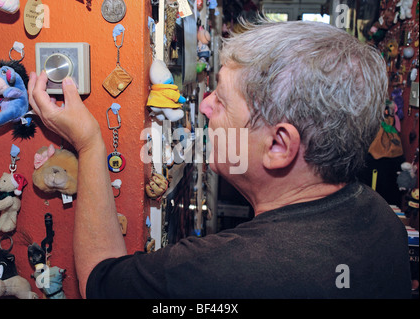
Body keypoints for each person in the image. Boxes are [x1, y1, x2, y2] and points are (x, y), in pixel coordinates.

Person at [29, 19, 412, 299]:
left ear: (279, 145)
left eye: (223, 99)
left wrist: (90, 144)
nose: (206, 105)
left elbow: (100, 282)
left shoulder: (230, 272)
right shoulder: (381, 217)